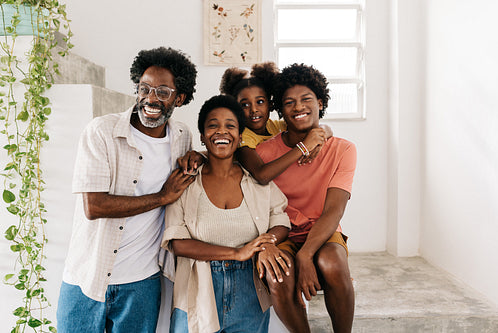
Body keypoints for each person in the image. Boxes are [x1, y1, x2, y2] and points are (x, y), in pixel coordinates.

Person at [56, 46, 197, 333]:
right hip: (87, 277)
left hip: (142, 282)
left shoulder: (182, 137)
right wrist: (162, 198)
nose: (151, 98)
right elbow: (94, 206)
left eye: (163, 92)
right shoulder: (101, 132)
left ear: (179, 98)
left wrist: (200, 156)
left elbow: (196, 159)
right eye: (144, 88)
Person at [162, 95, 291, 333]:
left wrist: (268, 243)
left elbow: (281, 220)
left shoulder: (256, 181)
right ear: (202, 135)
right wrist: (236, 253)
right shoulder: (185, 181)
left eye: (230, 126)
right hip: (196, 289)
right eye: (213, 125)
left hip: (250, 291)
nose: (222, 131)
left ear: (240, 136)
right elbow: (177, 243)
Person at [256, 63, 357, 333]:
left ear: (320, 102)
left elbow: (334, 210)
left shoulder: (343, 149)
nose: (298, 107)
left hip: (322, 231)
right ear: (280, 110)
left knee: (332, 263)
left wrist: (307, 255)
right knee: (278, 277)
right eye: (289, 102)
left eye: (306, 99)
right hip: (282, 233)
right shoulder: (266, 153)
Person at [180, 62, 330, 185]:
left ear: (270, 104)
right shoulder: (241, 137)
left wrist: (324, 131)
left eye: (260, 102)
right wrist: (304, 147)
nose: (254, 110)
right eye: (244, 105)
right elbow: (261, 175)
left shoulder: (276, 126)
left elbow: (317, 128)